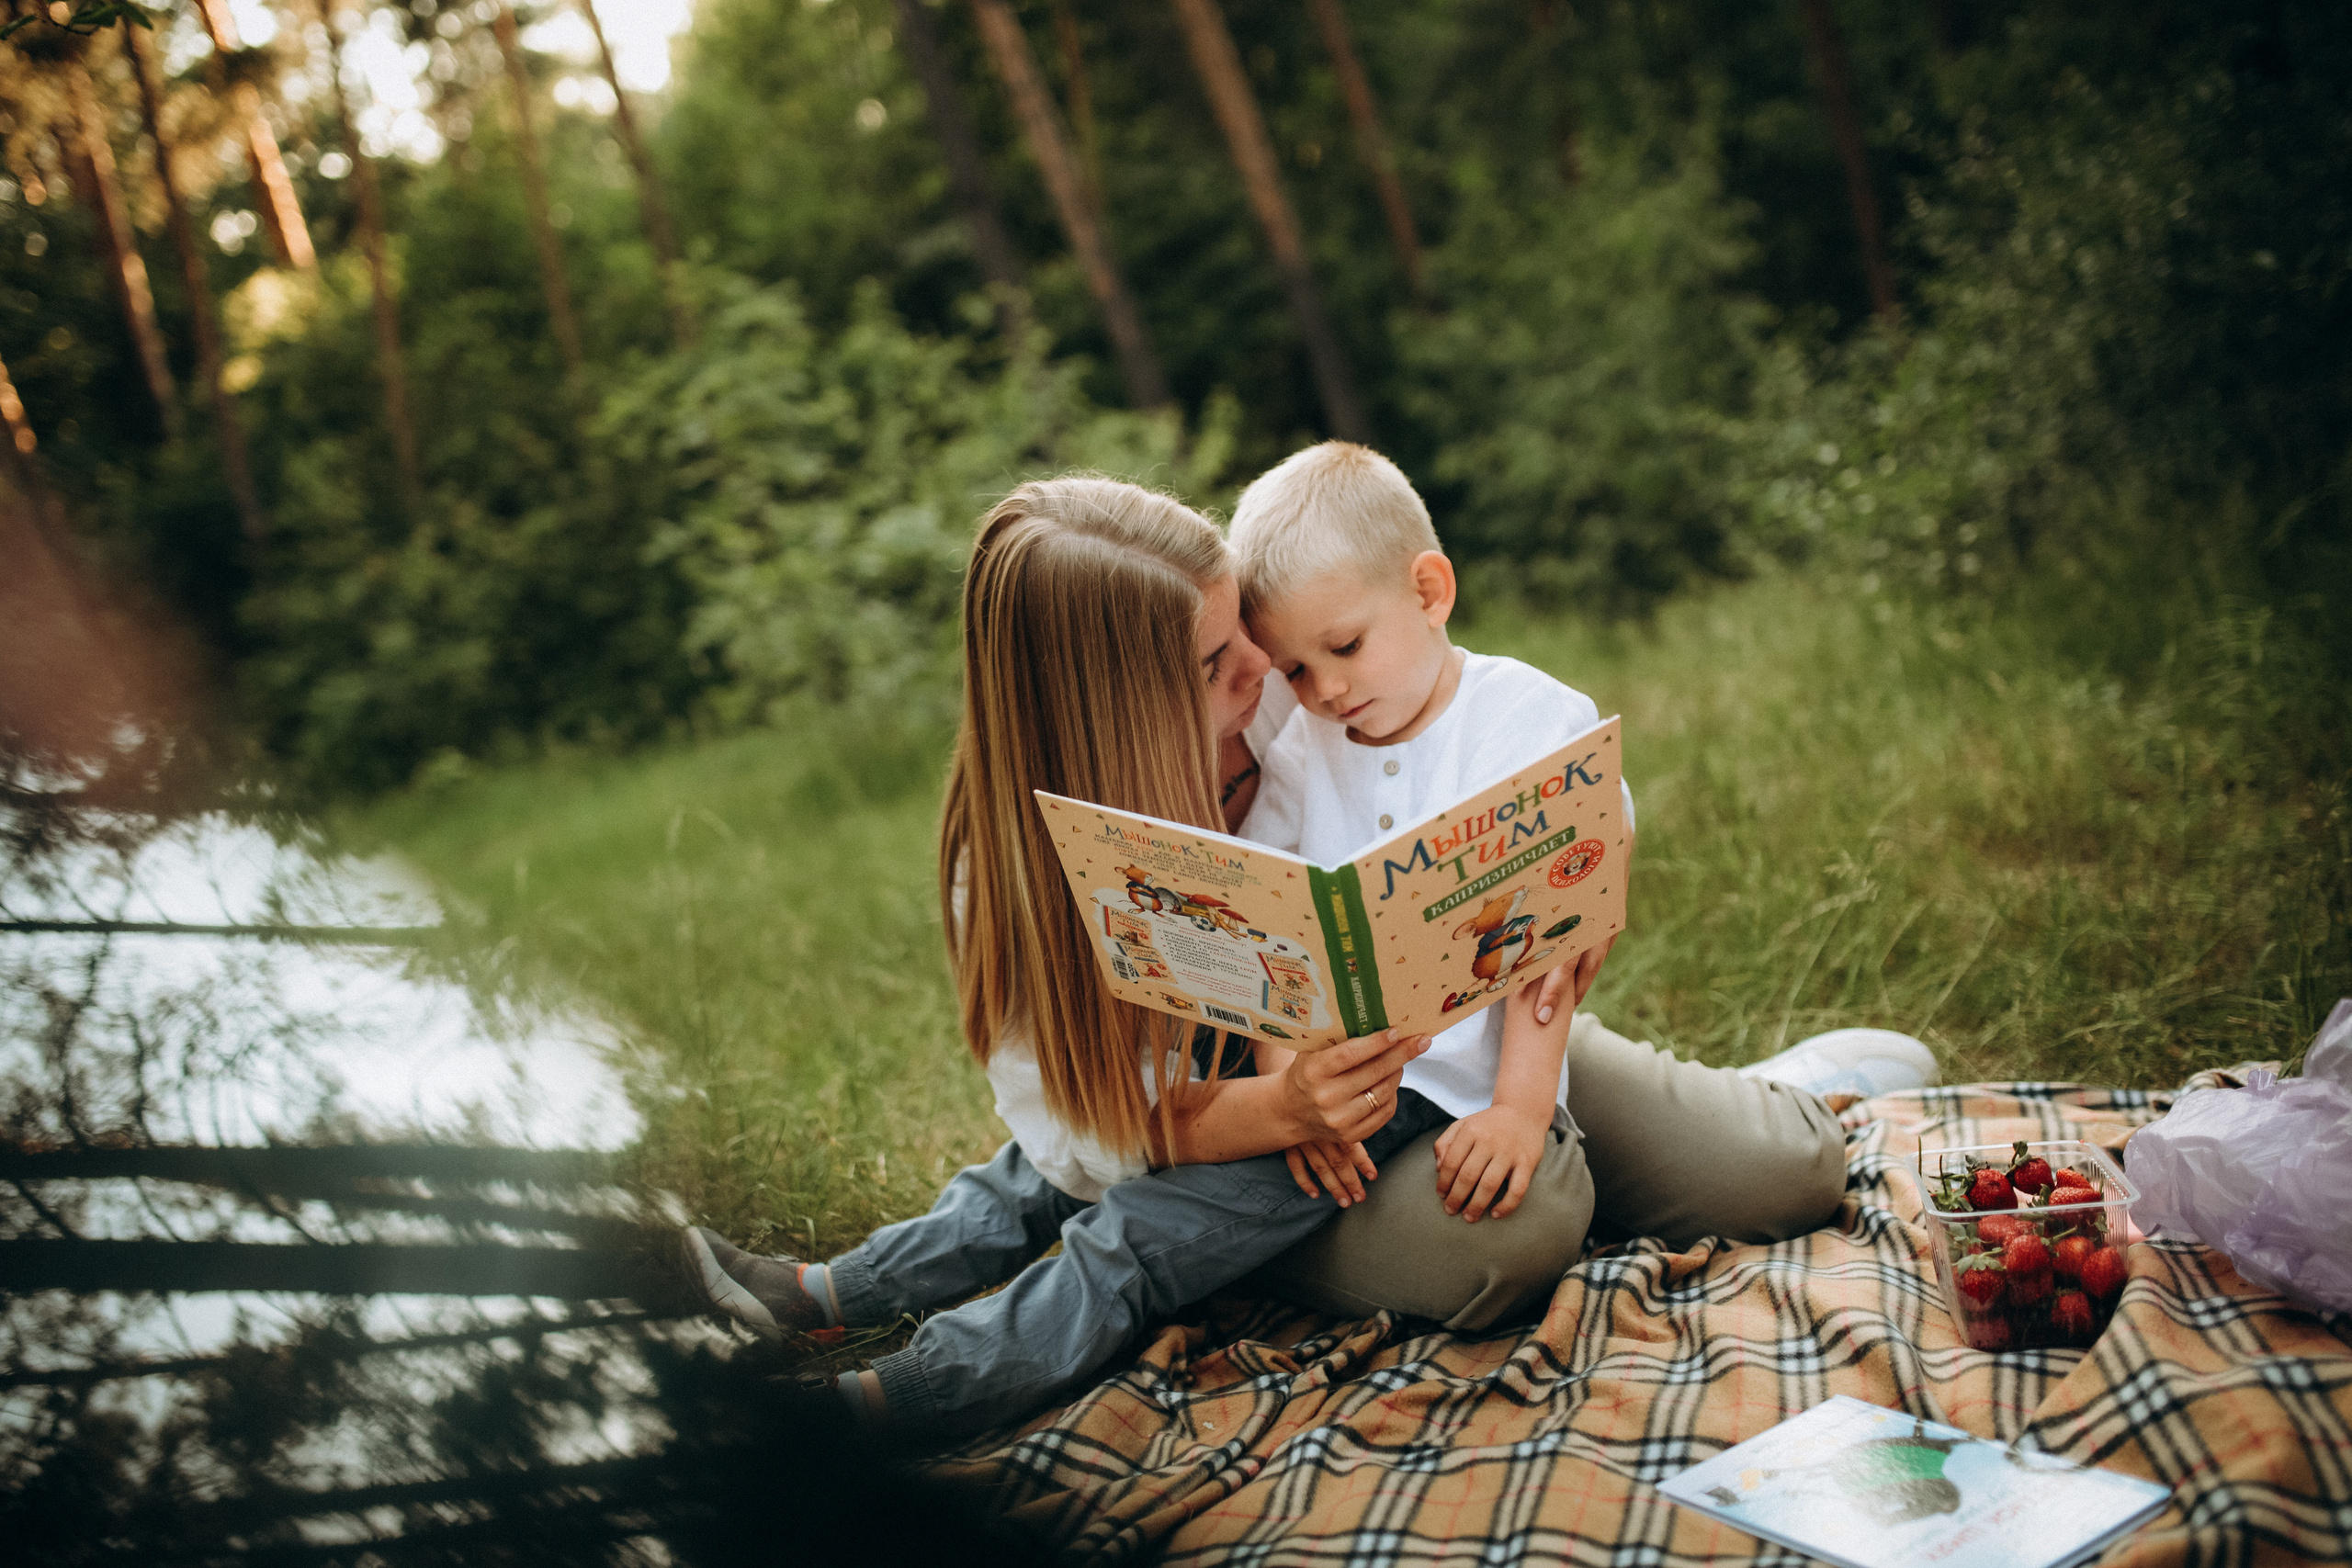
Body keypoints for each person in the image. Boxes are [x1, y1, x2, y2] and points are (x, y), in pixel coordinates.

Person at [684, 477, 1600, 1440]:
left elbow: (1511, 784)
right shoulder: (1008, 868)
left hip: (1395, 1070)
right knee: (1069, 1205)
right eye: (1217, 660)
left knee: (1124, 1229)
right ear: (1121, 710)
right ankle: (846, 1333)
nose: (1265, 663)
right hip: (1230, 1102)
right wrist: (1284, 1102)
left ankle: (865, 1353)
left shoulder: (1303, 686)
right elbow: (1077, 1129)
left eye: (1245, 622)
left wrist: (1574, 895)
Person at [1216, 442, 1931, 1321]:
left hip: (1506, 1054)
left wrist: (1520, 1109)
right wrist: (1295, 1101)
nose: (1320, 690)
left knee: (1798, 1178)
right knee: (1512, 1233)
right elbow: (1267, 934)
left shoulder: (1516, 713)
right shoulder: (1302, 750)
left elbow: (1551, 934)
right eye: (1294, 670)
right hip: (1366, 1103)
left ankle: (1775, 1092)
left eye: (1343, 650)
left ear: (1430, 592)